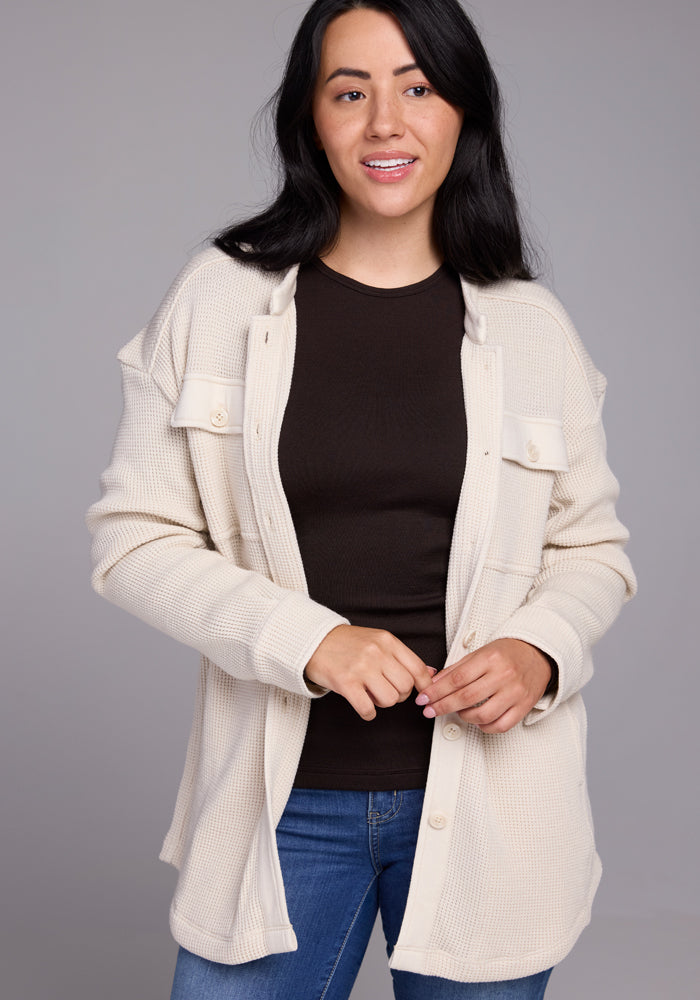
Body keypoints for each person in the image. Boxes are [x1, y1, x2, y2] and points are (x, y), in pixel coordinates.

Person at [86, 0, 636, 997]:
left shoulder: (533, 330)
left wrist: (539, 650)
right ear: (312, 120)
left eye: (417, 87)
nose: (385, 122)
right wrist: (308, 638)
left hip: (491, 807)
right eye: (351, 91)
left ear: (463, 112)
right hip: (281, 804)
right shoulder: (219, 300)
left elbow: (593, 550)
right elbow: (133, 539)